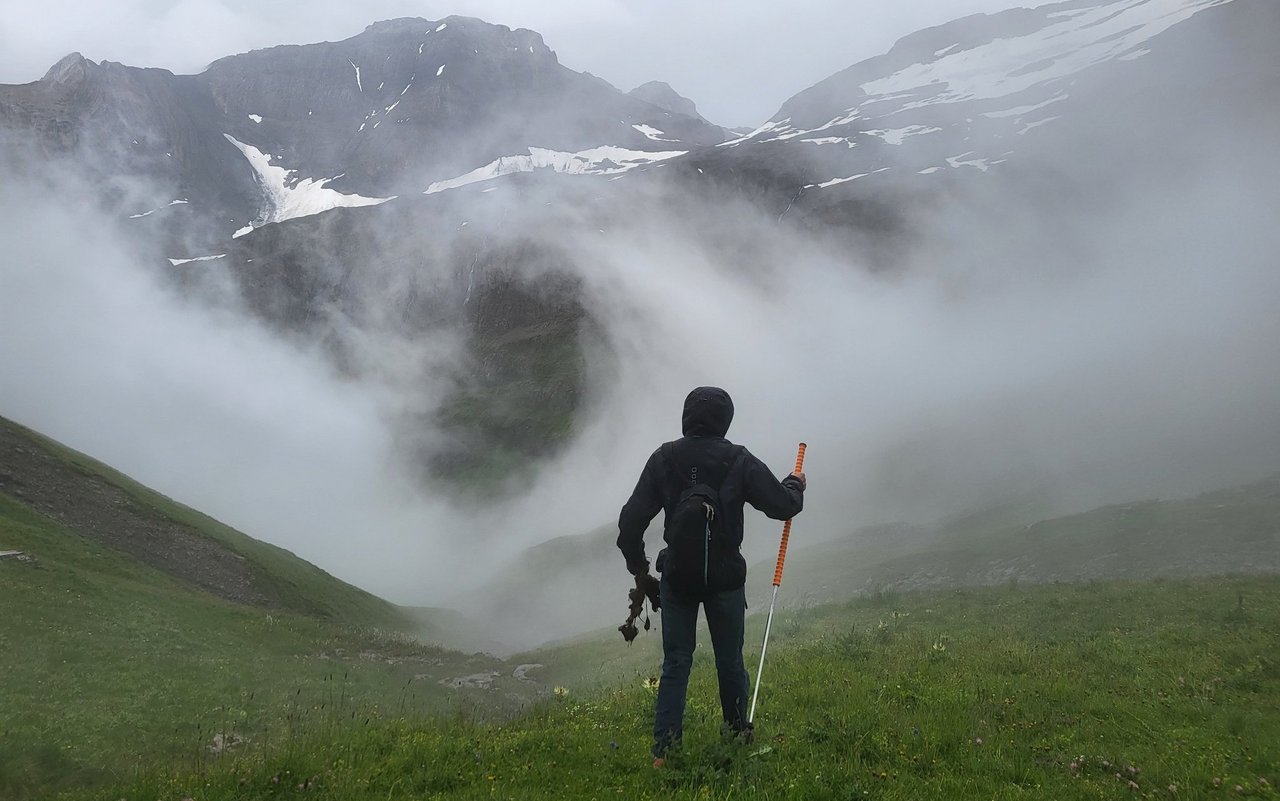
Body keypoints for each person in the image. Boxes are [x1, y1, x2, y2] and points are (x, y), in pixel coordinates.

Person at [617, 386, 806, 765]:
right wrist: (795, 485)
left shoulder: (664, 459)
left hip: (678, 578)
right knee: (729, 660)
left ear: (686, 417)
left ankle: (665, 753)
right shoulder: (738, 460)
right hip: (724, 577)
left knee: (676, 662)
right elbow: (782, 506)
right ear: (726, 421)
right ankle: (737, 734)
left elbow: (630, 523)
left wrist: (641, 570)